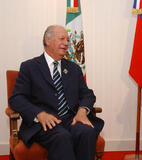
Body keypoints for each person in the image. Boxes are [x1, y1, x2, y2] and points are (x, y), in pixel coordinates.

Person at [9, 25, 104, 160]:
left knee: (87, 131)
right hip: (43, 124)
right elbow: (16, 98)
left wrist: (82, 111)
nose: (66, 43)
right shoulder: (29, 67)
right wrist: (39, 114)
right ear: (47, 40)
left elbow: (87, 94)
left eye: (67, 40)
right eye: (62, 39)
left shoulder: (73, 68)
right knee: (61, 137)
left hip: (70, 119)